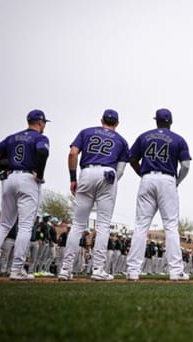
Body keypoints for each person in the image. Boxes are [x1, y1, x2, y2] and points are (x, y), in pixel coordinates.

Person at [58, 109, 129, 281]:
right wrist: (114, 179)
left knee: (77, 225)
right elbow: (120, 170)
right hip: (108, 174)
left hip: (86, 172)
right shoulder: (121, 140)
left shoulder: (86, 132)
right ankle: (97, 269)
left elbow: (73, 153)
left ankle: (66, 269)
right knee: (104, 225)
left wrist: (73, 178)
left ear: (101, 120)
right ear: (117, 123)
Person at [0, 109, 51, 281]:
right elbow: (42, 152)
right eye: (44, 123)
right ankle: (17, 269)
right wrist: (40, 174)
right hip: (28, 178)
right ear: (40, 122)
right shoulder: (40, 137)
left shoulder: (12, 137)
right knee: (26, 226)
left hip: (10, 177)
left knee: (3, 225)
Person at [126, 108, 191, 281]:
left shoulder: (144, 136)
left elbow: (131, 159)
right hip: (168, 179)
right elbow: (185, 165)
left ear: (156, 121)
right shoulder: (178, 139)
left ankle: (133, 271)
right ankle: (175, 271)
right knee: (170, 226)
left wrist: (143, 173)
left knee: (141, 226)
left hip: (147, 178)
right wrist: (177, 181)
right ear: (170, 121)